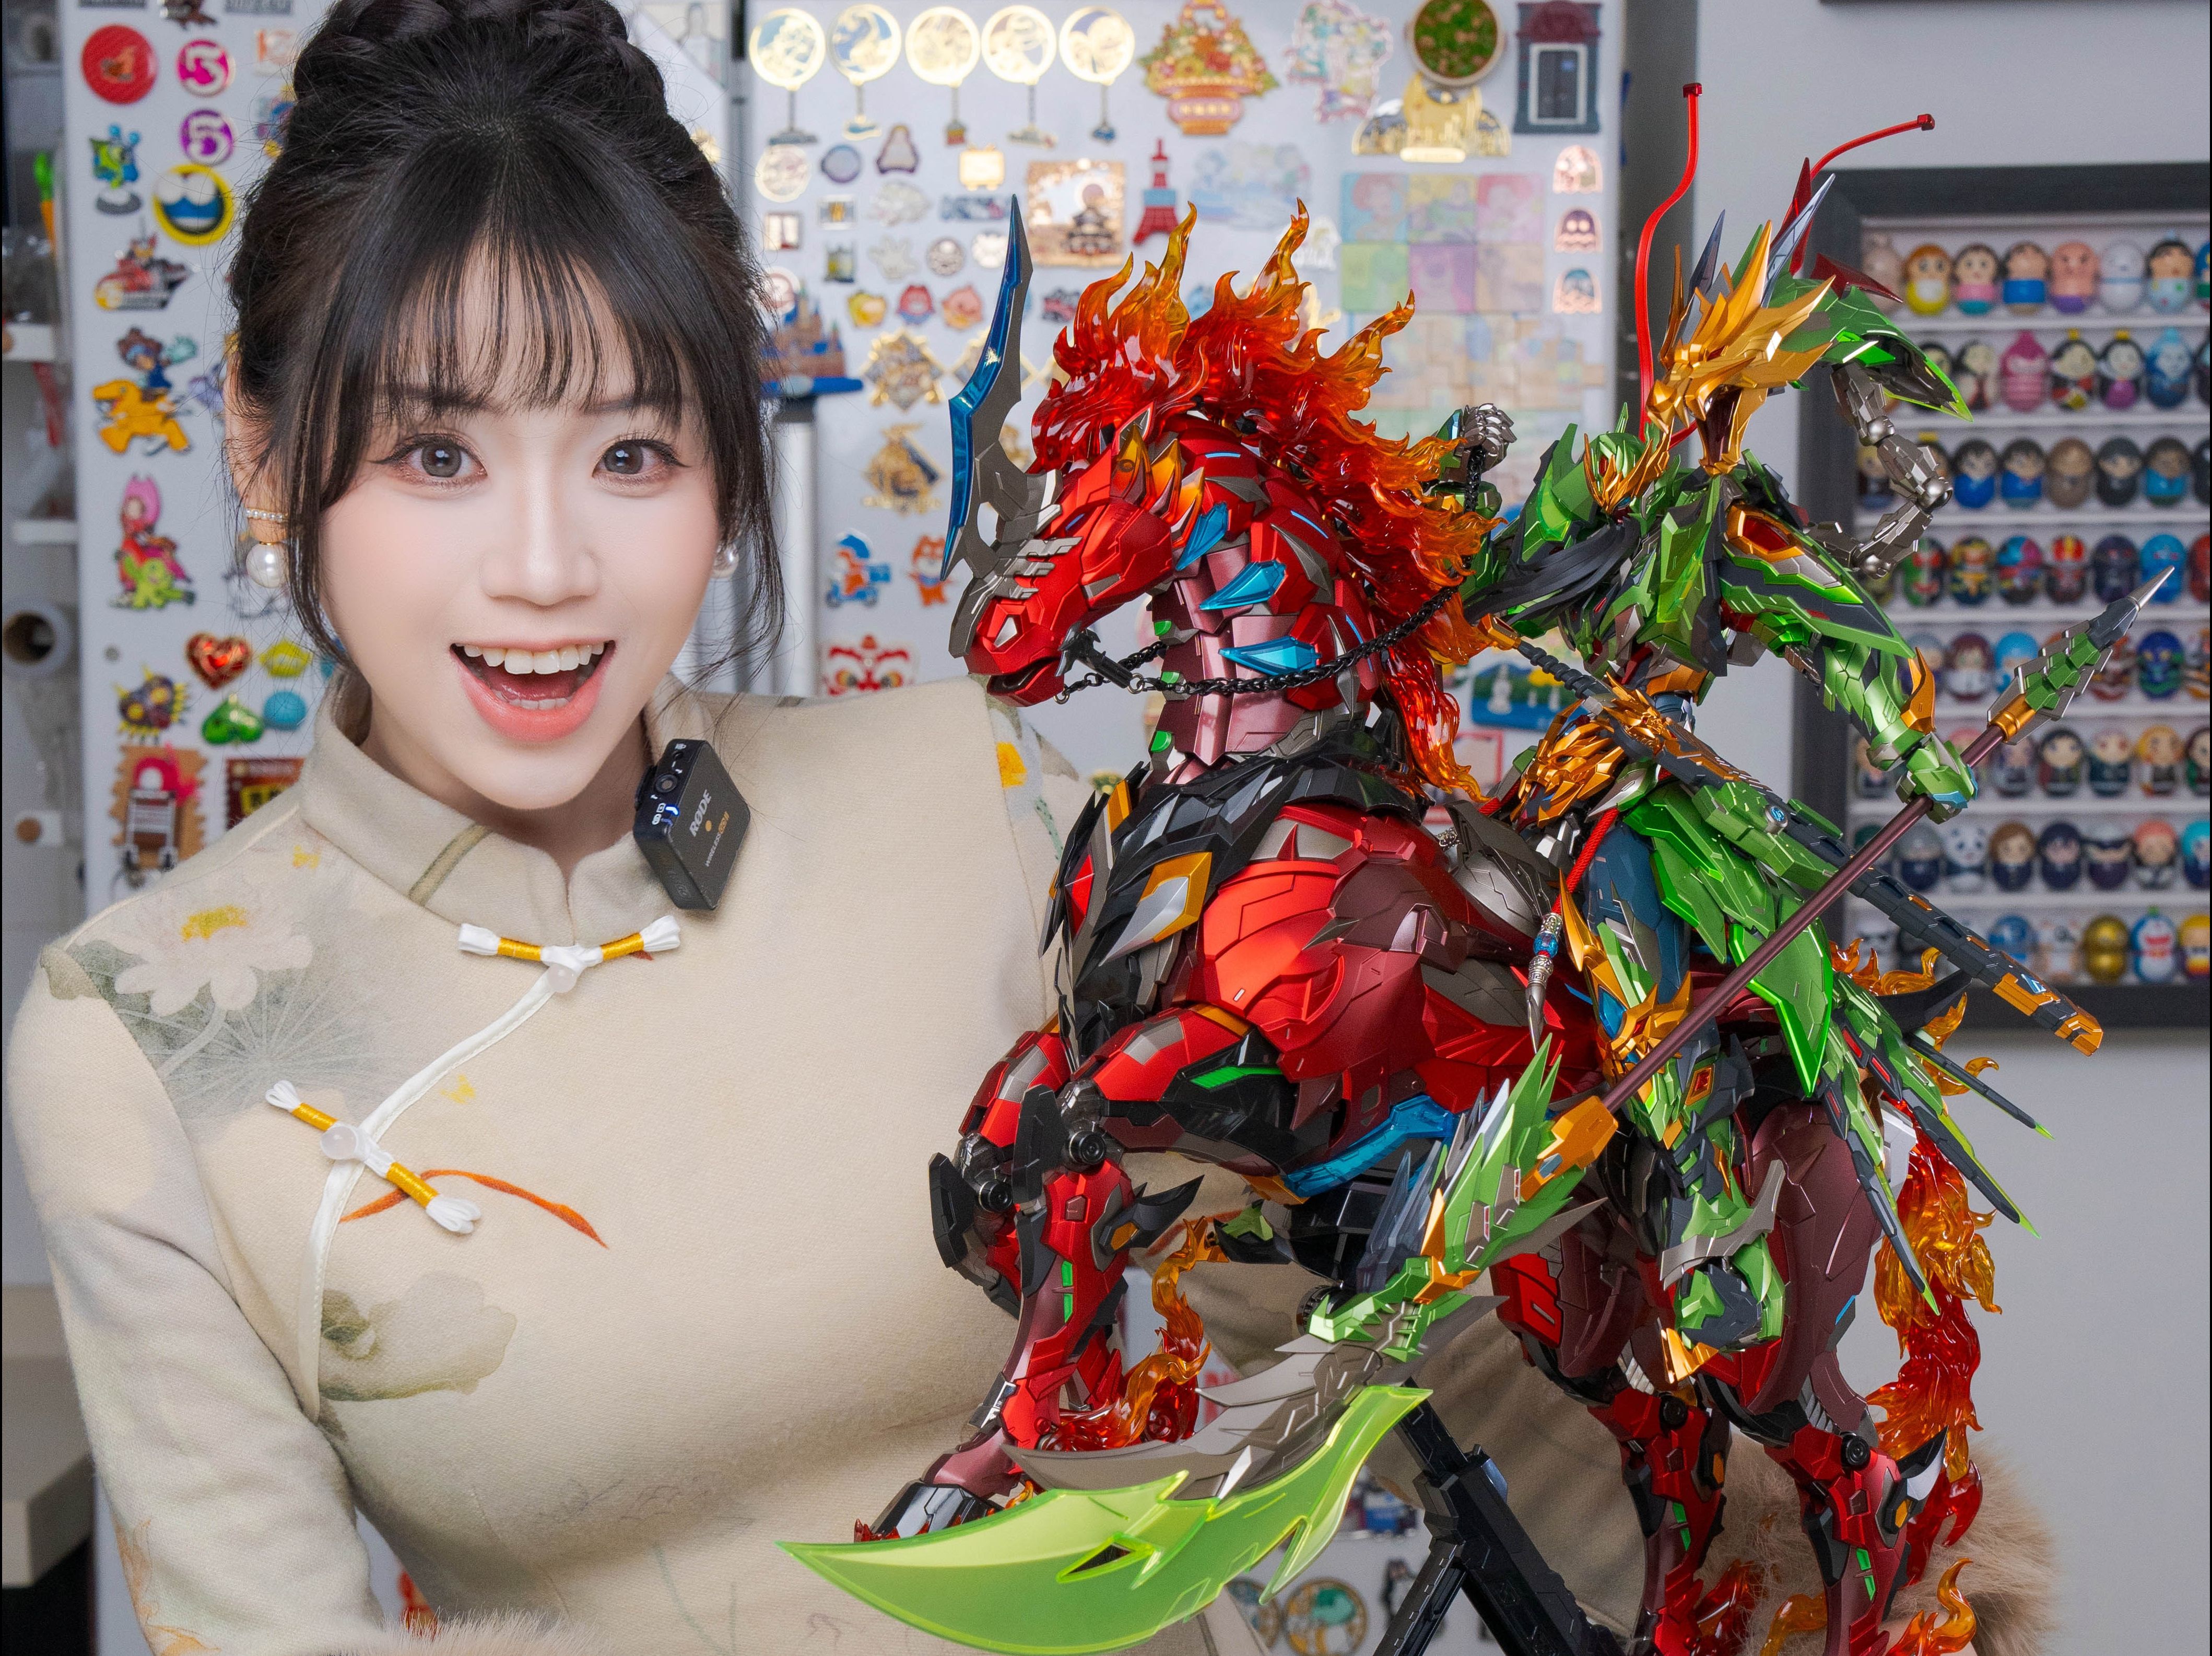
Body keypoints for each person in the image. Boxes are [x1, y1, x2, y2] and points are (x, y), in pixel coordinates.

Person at [5, 3, 2048, 1652]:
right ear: (265, 453)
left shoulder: (983, 800)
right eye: (436, 453)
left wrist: (1824, 1576)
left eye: (632, 447)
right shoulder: (152, 1037)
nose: (544, 567)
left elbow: (1436, 1341)